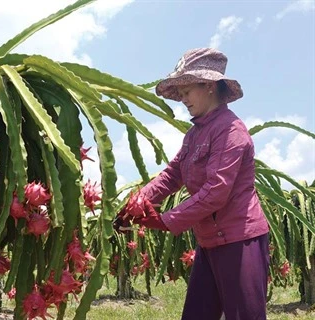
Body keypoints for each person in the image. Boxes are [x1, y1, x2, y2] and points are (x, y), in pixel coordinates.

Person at [114, 48, 270, 320]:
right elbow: (172, 175)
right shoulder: (194, 134)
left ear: (208, 86)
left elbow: (216, 192)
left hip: (239, 240)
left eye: (186, 91)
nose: (183, 99)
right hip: (209, 241)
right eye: (180, 93)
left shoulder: (231, 131)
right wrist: (137, 203)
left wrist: (166, 220)